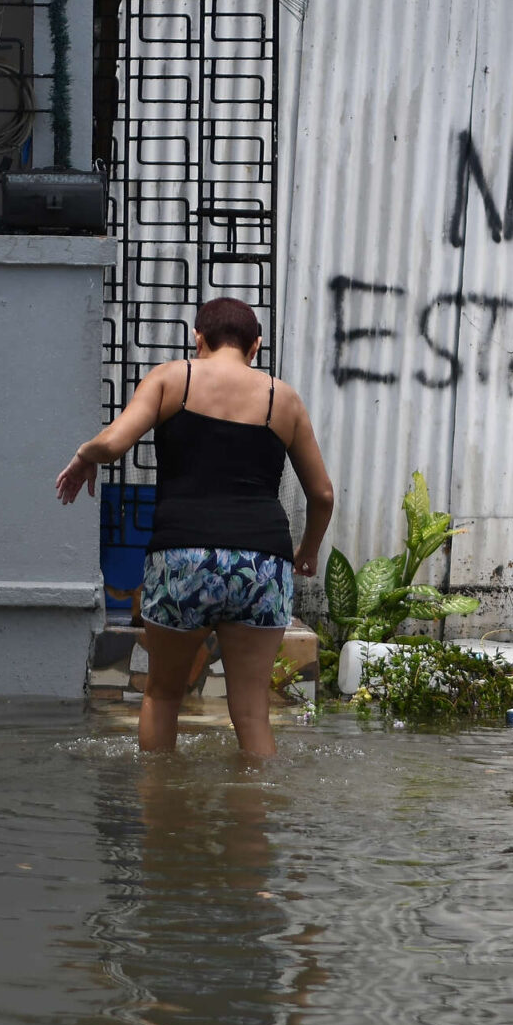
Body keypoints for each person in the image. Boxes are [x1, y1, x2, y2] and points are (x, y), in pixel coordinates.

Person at [56, 298, 334, 760]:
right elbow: (322, 495)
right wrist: (308, 551)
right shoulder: (281, 398)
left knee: (163, 696)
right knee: (251, 711)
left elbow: (113, 443)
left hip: (182, 557)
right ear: (256, 346)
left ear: (198, 338)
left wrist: (86, 456)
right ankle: (252, 822)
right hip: (261, 563)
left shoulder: (171, 378)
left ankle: (164, 820)